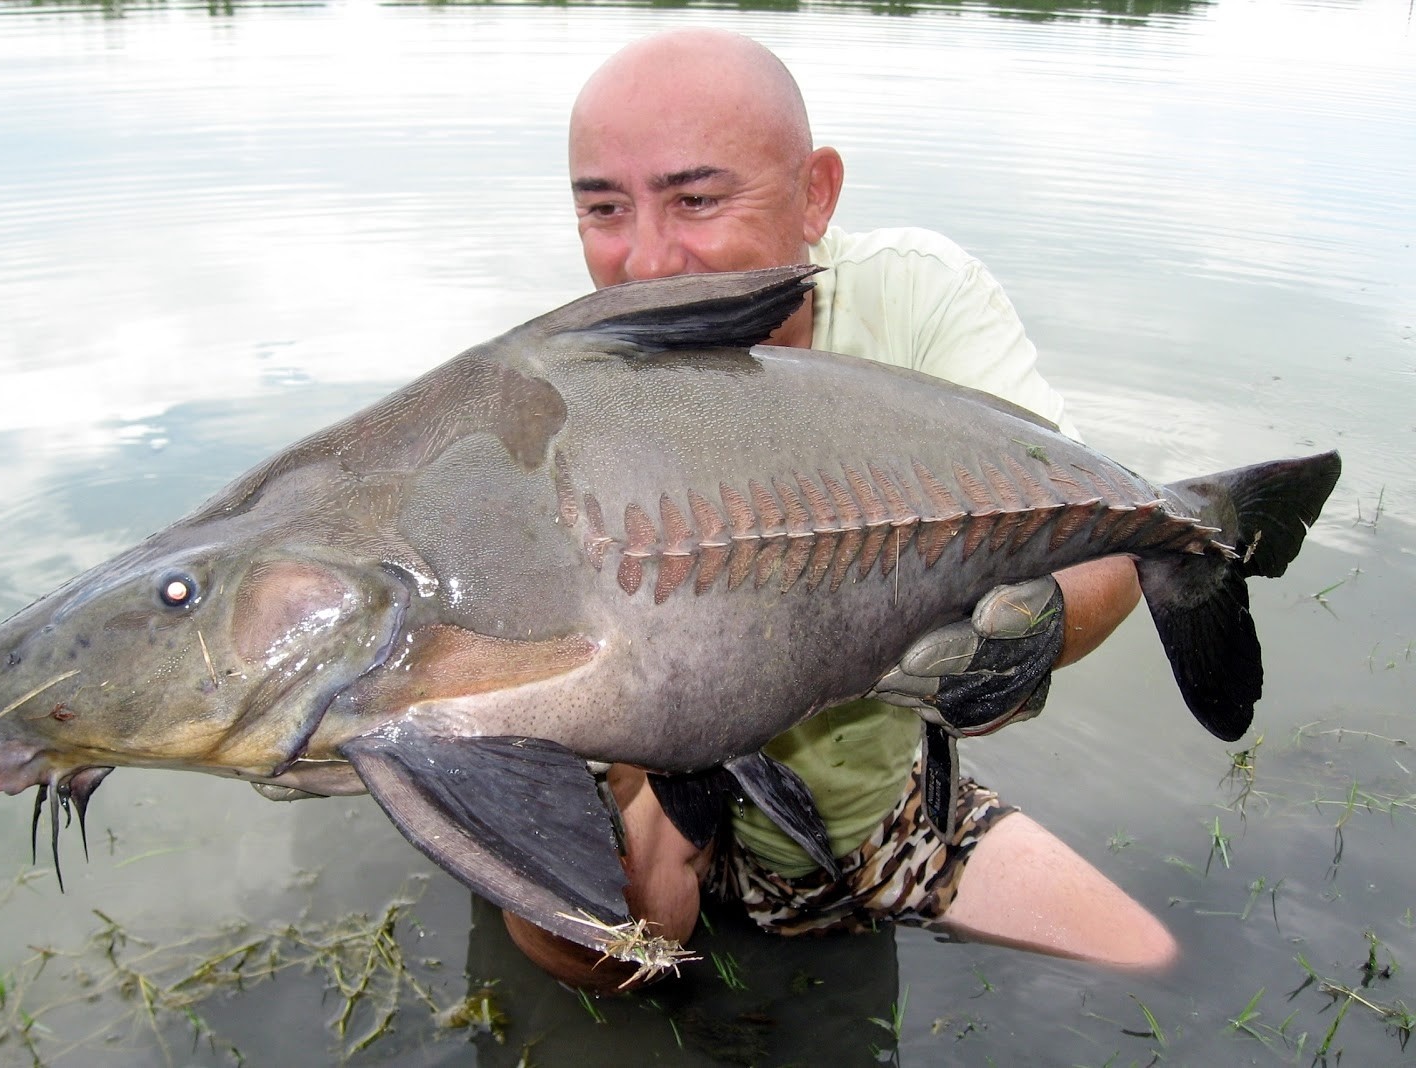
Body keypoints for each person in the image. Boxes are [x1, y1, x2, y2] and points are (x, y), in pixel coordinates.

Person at [501, 28, 1177, 991]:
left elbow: (1100, 535)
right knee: (599, 963)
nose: (647, 263)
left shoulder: (919, 299)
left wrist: (1038, 632)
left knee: (1153, 963)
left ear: (816, 192)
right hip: (650, 788)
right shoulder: (557, 394)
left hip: (881, 817)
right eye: (605, 209)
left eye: (696, 199)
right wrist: (643, 791)